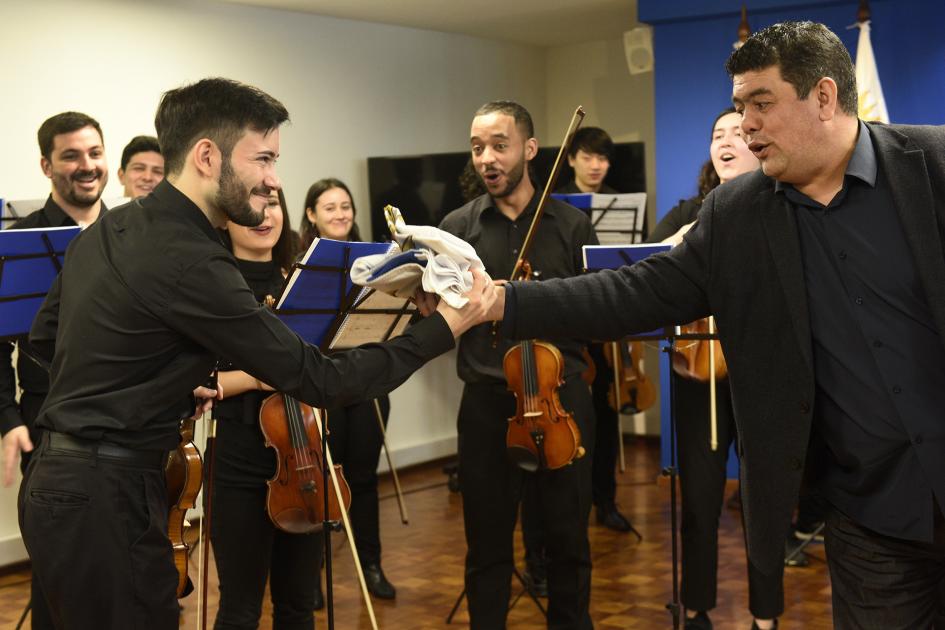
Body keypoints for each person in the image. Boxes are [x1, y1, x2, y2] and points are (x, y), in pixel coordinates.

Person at [469, 21, 945, 629]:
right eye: (739, 105)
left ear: (824, 98)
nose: (744, 124)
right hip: (872, 521)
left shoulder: (931, 164)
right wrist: (500, 301)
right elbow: (637, 291)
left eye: (759, 104)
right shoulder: (737, 212)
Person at [7, 77, 494, 630]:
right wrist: (445, 329)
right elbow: (323, 381)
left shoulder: (111, 226)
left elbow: (46, 341)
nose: (274, 180)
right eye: (262, 159)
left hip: (55, 487)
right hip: (106, 497)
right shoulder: (195, 260)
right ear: (208, 156)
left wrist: (158, 376)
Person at [438, 100, 598, 629]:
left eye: (499, 146)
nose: (487, 158)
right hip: (486, 404)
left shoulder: (572, 226)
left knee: (569, 542)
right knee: (486, 546)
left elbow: (597, 314)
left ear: (529, 150)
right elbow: (441, 323)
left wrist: (536, 300)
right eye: (478, 147)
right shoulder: (455, 232)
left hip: (561, 401)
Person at [647, 108, 782, 630]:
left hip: (762, 378)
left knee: (761, 503)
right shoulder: (689, 211)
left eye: (737, 134)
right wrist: (681, 239)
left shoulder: (780, 203)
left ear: (757, 143)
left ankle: (765, 616)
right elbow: (641, 268)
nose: (725, 141)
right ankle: (699, 606)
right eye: (717, 135)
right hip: (697, 373)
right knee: (699, 501)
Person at [0, 111, 110, 630]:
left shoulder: (132, 233)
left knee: (124, 579)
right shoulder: (18, 243)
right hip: (49, 428)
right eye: (70, 156)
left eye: (93, 153)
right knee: (58, 584)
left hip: (130, 429)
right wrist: (7, 417)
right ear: (47, 165)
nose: (86, 166)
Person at [208, 187, 323, 629]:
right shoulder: (212, 285)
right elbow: (199, 381)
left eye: (273, 204)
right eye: (251, 206)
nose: (264, 215)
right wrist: (259, 376)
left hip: (305, 458)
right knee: (240, 607)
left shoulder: (305, 282)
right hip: (237, 460)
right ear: (225, 219)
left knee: (299, 603)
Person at [299, 178, 397, 602]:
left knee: (364, 479)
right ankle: (313, 571)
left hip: (366, 381)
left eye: (346, 206)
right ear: (311, 215)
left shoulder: (378, 261)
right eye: (329, 207)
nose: (340, 214)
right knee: (323, 481)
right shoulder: (300, 264)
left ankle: (371, 564)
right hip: (322, 386)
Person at [558, 126, 618, 194]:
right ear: (571, 160)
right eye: (587, 158)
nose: (595, 167)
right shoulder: (552, 202)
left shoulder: (619, 200)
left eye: (602, 159)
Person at [117, 135, 164, 199]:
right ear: (121, 176)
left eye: (157, 171)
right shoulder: (100, 208)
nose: (148, 177)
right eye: (139, 168)